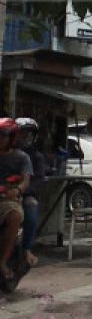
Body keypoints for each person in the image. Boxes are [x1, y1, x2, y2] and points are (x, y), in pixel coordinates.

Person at [0, 118, 32, 283]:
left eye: (3, 135)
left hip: (7, 200)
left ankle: (3, 262)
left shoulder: (22, 158)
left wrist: (17, 190)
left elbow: (26, 180)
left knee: (15, 216)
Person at [15, 118, 44, 266]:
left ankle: (27, 248)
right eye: (22, 133)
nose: (25, 137)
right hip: (6, 194)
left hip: (23, 195)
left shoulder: (35, 157)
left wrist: (21, 191)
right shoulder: (7, 154)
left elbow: (37, 181)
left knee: (31, 206)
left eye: (28, 133)